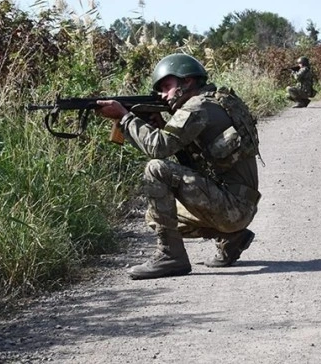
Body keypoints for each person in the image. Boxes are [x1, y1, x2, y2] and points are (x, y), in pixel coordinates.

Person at [96, 53, 261, 280]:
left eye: (166, 86)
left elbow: (159, 148)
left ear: (187, 81)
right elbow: (199, 161)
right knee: (155, 216)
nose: (163, 95)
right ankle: (233, 238)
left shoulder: (196, 107)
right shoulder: (215, 101)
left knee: (156, 168)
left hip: (232, 208)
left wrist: (124, 118)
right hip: (238, 206)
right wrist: (162, 125)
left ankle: (170, 257)